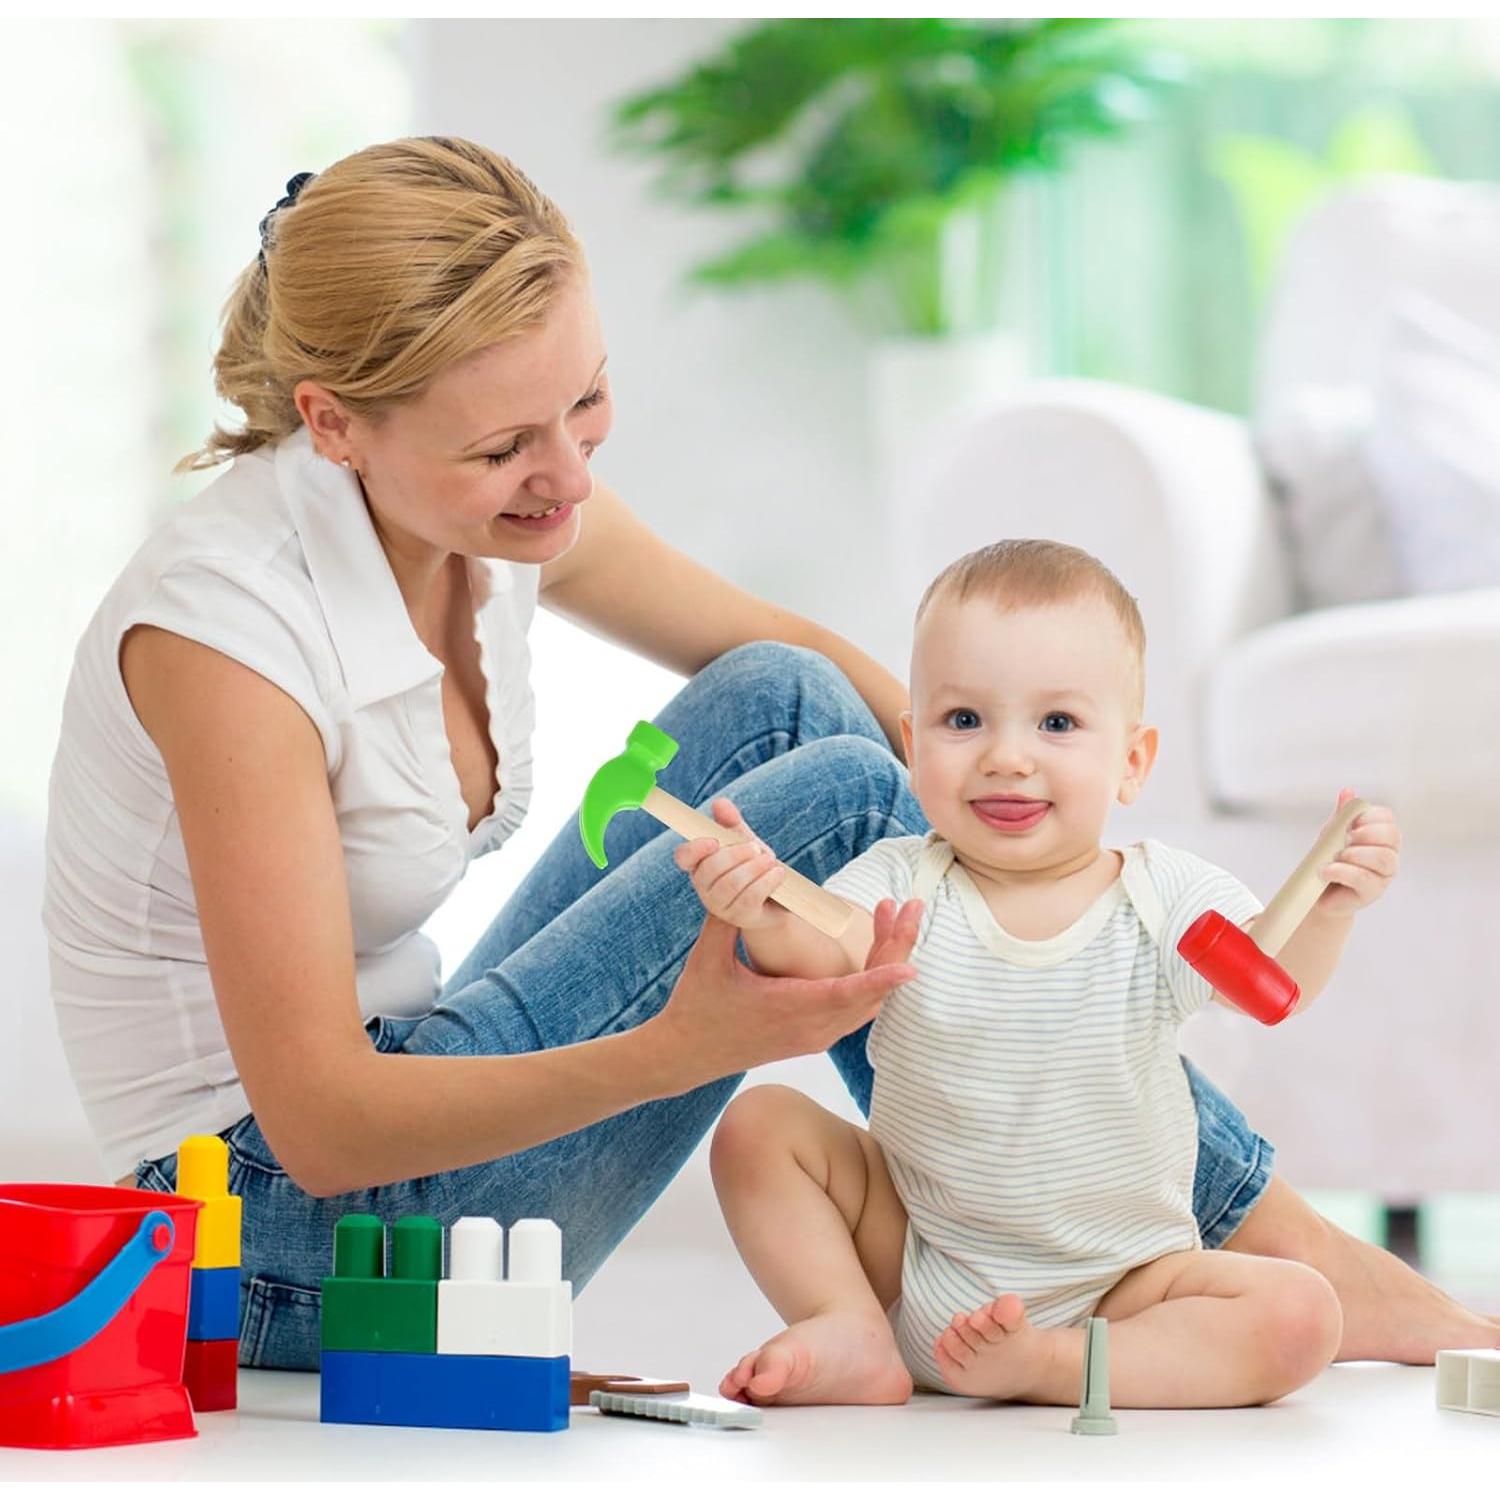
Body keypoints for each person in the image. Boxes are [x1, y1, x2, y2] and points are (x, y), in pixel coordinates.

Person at [42, 137, 1497, 1376]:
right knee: (851, 798)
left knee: (805, 709)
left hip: (401, 1113)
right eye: (506, 448)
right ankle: (1214, 1249)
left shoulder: (492, 499)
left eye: (589, 402)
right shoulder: (228, 640)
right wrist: (690, 1047)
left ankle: (1139, 1210)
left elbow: (816, 686)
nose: (570, 476)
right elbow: (327, 1120)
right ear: (334, 425)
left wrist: (1001, 813)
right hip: (275, 1236)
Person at [683, 540, 1491, 1407]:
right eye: (964, 722)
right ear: (913, 747)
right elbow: (823, 955)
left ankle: (1055, 1367)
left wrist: (1327, 908)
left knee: (1299, 1312)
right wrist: (762, 911)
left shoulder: (1161, 894)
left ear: (1133, 761)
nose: (1007, 757)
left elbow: (1261, 981)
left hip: (1125, 1289)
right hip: (920, 1263)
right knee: (758, 1126)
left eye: (1057, 724)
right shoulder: (900, 876)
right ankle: (848, 1324)